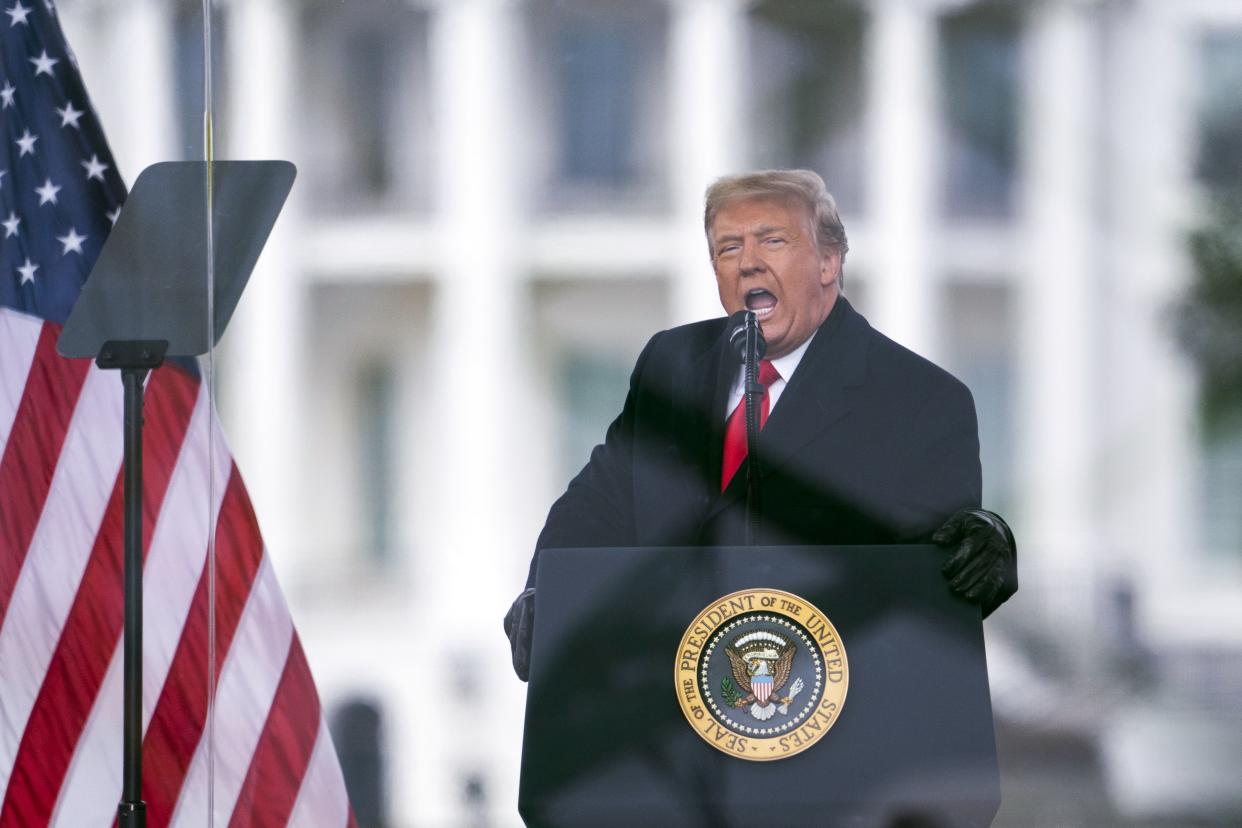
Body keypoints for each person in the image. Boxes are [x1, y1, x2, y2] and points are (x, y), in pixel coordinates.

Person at [505, 169, 1016, 680]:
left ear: (828, 261)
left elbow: (942, 567)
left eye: (772, 240)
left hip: (828, 711)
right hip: (663, 707)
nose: (748, 262)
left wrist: (986, 544)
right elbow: (600, 501)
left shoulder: (919, 398)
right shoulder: (672, 363)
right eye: (728, 248)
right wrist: (547, 593)